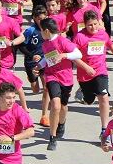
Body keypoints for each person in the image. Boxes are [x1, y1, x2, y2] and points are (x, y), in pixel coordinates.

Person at [36, 17, 94, 151]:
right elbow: (47, 58)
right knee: (55, 105)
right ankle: (52, 137)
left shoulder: (63, 41)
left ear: (46, 31)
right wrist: (39, 65)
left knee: (63, 106)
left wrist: (64, 55)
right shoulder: (45, 44)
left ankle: (61, 123)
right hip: (51, 76)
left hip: (66, 78)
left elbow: (78, 54)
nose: (40, 33)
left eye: (41, 31)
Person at [73, 10, 113, 139]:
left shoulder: (102, 34)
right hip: (85, 75)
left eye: (95, 24)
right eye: (90, 25)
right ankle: (83, 93)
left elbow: (110, 44)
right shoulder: (79, 37)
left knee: (103, 96)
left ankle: (104, 129)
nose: (93, 27)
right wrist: (86, 67)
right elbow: (73, 56)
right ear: (85, 24)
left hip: (101, 71)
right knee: (89, 100)